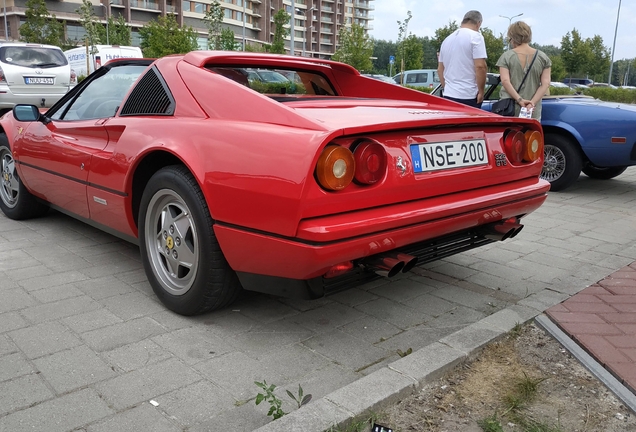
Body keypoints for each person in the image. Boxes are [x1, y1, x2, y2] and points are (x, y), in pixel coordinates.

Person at [496, 21, 552, 120]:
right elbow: (546, 84)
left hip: (509, 108)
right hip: (532, 110)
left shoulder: (506, 57)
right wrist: (532, 103)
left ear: (512, 37)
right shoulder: (543, 58)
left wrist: (520, 100)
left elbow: (505, 81)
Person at [437, 10, 488, 108]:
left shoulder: (447, 40)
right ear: (478, 23)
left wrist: (447, 88)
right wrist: (481, 92)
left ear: (462, 22)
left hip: (449, 95)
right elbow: (480, 67)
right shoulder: (476, 37)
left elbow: (440, 70)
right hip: (468, 95)